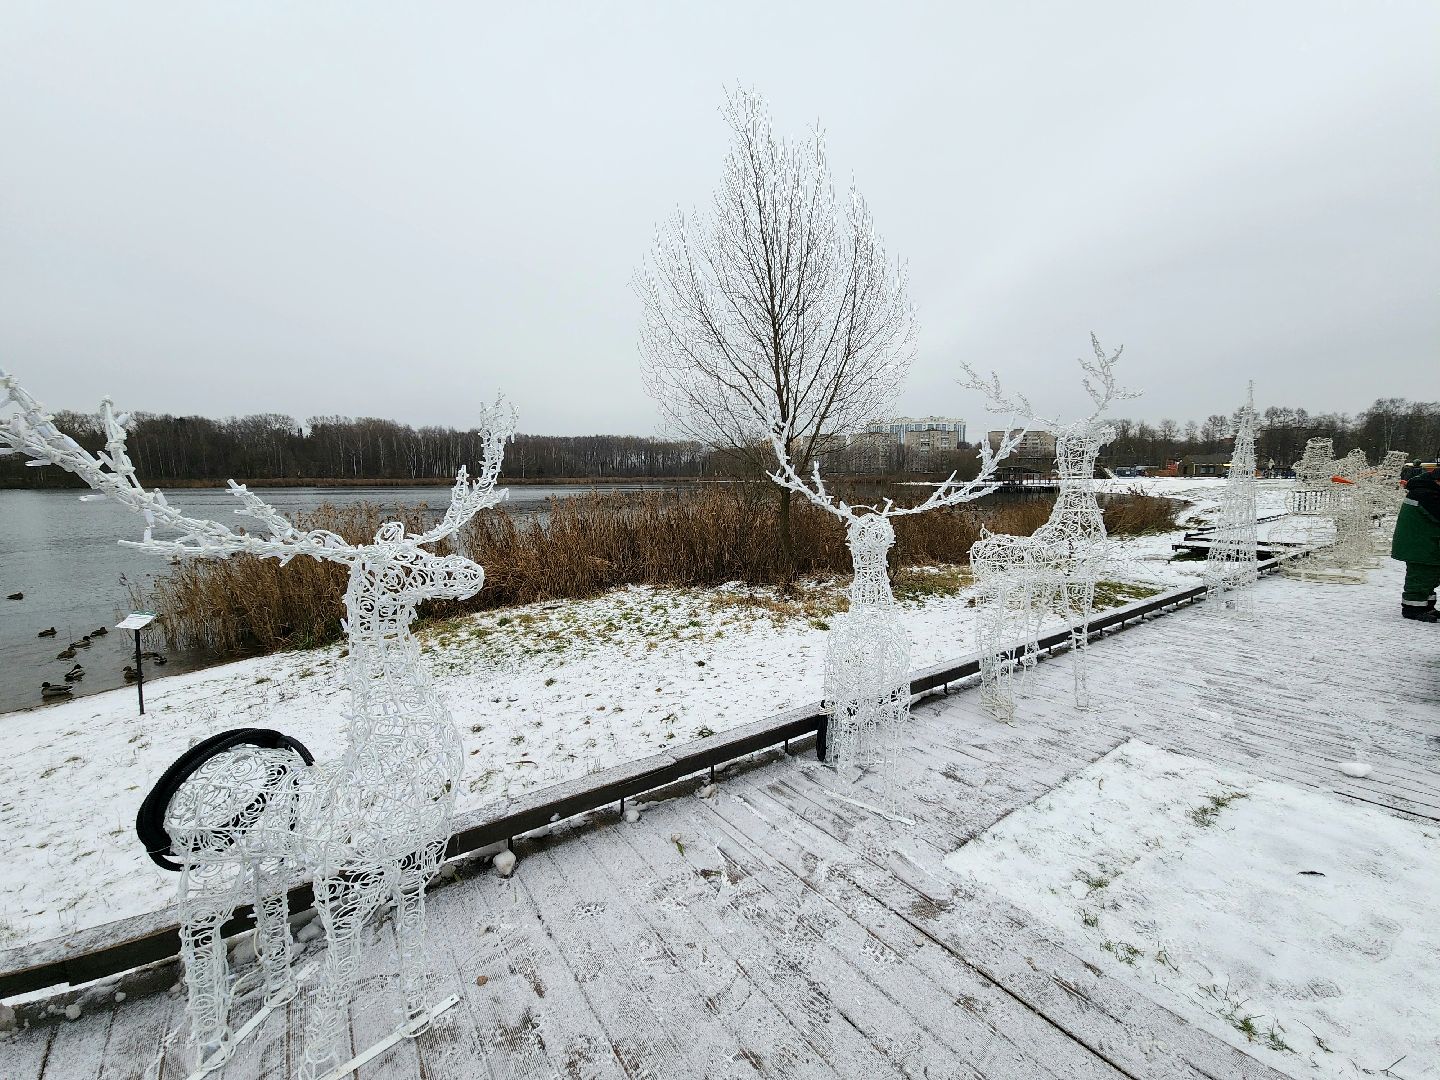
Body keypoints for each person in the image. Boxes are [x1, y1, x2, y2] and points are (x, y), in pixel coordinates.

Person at [1393, 461, 1440, 622]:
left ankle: (1426, 606)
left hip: (1425, 543)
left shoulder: (1427, 489)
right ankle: (1412, 609)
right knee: (1420, 577)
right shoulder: (1425, 494)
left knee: (1430, 576)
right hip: (1419, 544)